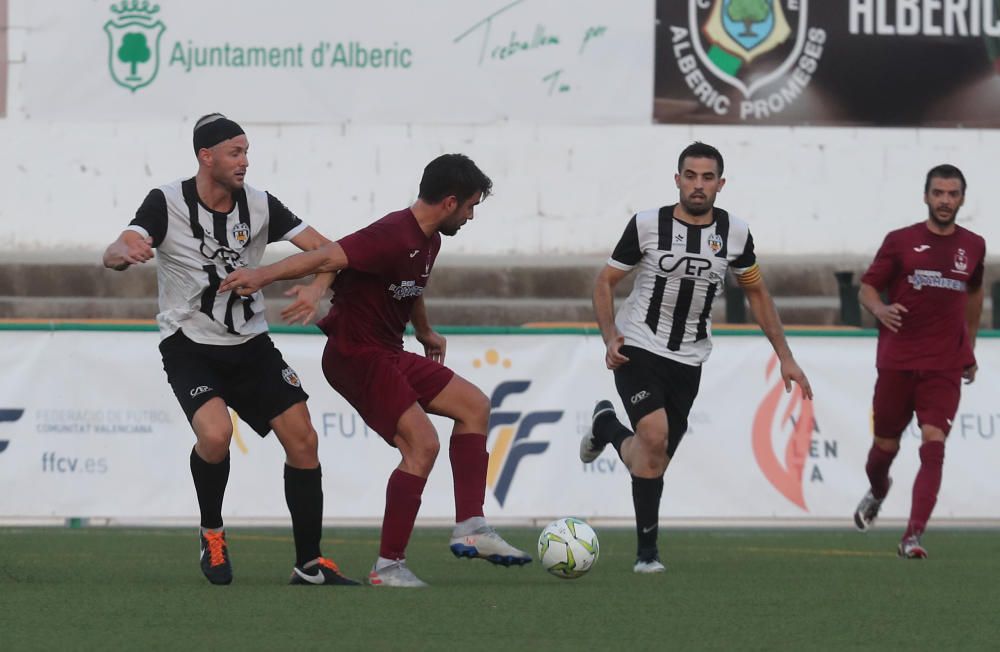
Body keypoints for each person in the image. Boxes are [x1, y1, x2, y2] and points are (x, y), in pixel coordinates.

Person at [219, 153, 532, 587]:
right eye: (471, 206)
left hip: (389, 350)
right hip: (356, 355)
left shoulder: (429, 240)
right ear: (450, 202)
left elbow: (411, 285)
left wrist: (425, 331)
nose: (472, 215)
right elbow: (327, 256)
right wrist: (262, 276)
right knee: (422, 446)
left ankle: (472, 527)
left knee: (475, 406)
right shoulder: (390, 233)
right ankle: (388, 566)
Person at [102, 113, 358, 587]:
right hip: (190, 345)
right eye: (235, 153)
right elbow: (123, 243)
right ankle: (212, 532)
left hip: (251, 344)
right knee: (216, 436)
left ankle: (309, 563)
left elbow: (330, 249)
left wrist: (317, 288)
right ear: (206, 156)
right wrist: (123, 251)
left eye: (246, 152)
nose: (244, 162)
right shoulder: (168, 201)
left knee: (303, 439)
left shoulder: (259, 205)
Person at [581, 142, 813, 573]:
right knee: (652, 436)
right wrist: (610, 335)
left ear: (721, 184)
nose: (698, 185)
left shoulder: (736, 233)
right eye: (690, 176)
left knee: (651, 458)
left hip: (689, 359)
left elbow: (757, 294)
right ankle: (646, 556)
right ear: (677, 179)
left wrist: (786, 356)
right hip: (639, 346)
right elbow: (605, 282)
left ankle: (606, 426)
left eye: (708, 178)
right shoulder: (647, 224)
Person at [852, 164, 985, 559]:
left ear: (962, 198)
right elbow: (866, 288)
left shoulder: (974, 245)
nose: (945, 200)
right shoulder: (901, 241)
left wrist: (969, 347)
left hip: (943, 365)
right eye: (939, 193)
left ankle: (912, 536)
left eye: (953, 193)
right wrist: (880, 309)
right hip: (897, 361)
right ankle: (878, 490)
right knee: (884, 449)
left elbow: (975, 293)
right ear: (926, 196)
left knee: (934, 443)